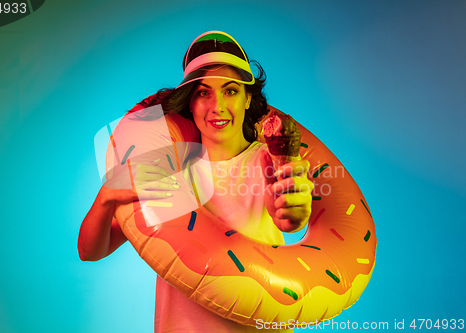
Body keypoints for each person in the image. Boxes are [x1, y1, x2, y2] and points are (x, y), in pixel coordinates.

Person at [78, 31, 314, 332]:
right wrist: (106, 198)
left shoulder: (268, 160)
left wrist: (293, 210)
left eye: (230, 91)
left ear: (247, 99)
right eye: (204, 92)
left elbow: (289, 214)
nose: (217, 106)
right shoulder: (169, 169)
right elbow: (91, 251)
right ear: (189, 102)